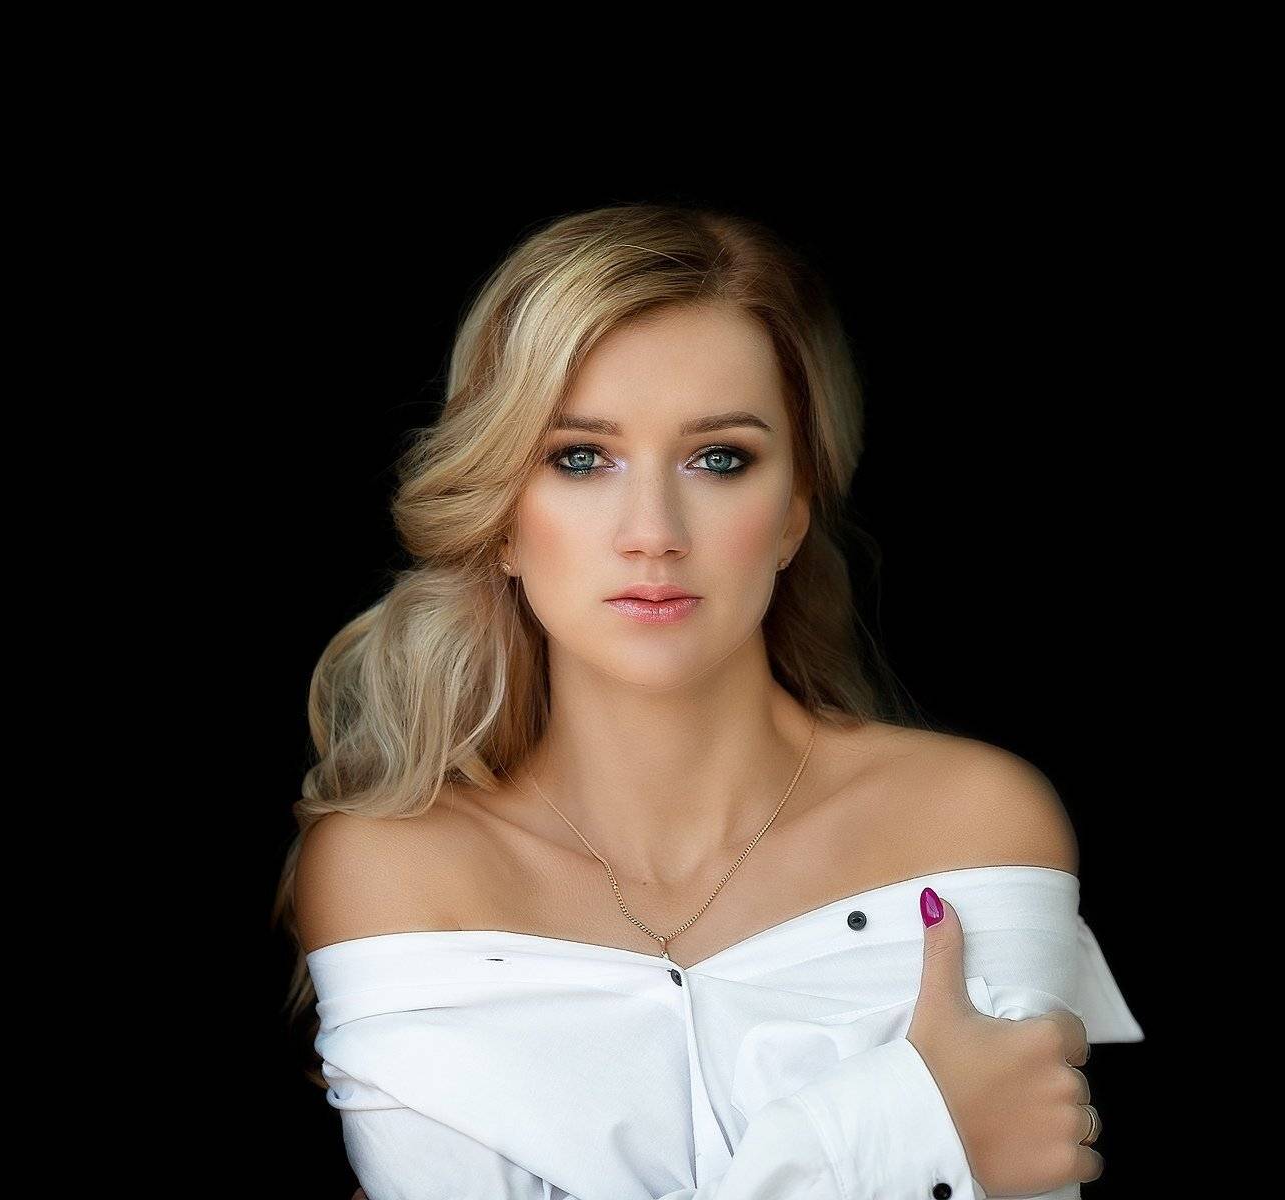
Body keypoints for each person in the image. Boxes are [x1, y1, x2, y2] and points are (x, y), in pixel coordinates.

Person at [277, 203, 1143, 1199]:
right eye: (580, 458)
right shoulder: (394, 871)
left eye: (720, 459)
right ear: (502, 518)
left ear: (793, 512)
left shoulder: (972, 823)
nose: (653, 530)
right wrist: (898, 1133)